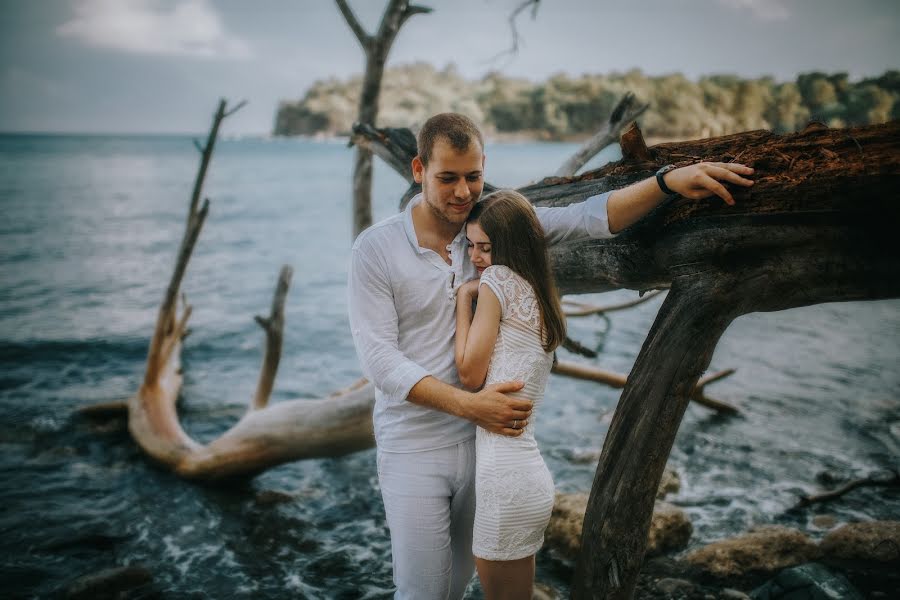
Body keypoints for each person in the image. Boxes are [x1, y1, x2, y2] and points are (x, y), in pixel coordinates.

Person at [347, 112, 753, 599]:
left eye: (473, 177)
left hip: (485, 449)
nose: (462, 192)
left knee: (454, 588)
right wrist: (470, 405)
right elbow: (379, 360)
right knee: (421, 593)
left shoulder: (489, 230)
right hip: (414, 446)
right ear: (418, 170)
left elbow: (589, 216)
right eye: (447, 178)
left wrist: (665, 182)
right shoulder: (375, 249)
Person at [454, 189, 565, 599]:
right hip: (528, 479)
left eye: (486, 247)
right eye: (471, 246)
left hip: (504, 481)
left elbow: (469, 372)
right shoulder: (541, 295)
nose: (476, 258)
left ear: (511, 247)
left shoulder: (498, 281)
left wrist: (466, 298)